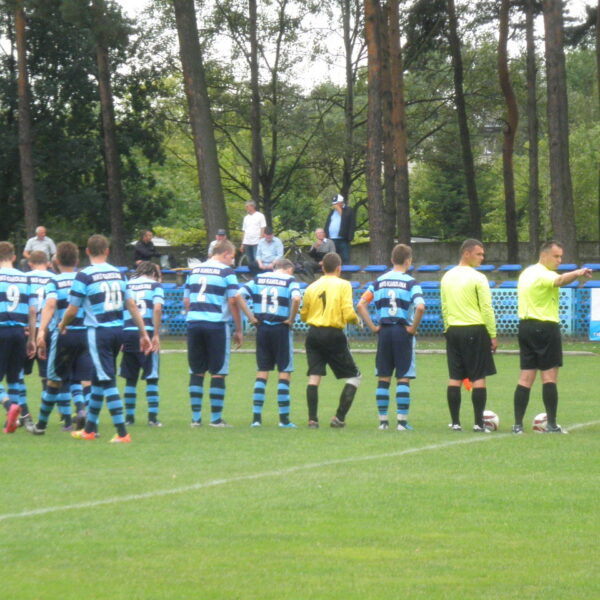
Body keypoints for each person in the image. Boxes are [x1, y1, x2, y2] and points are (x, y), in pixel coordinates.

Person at [60, 234, 151, 443]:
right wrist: (143, 333)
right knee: (97, 380)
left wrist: (62, 324)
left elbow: (72, 309)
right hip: (118, 331)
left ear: (87, 252)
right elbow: (131, 305)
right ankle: (89, 430)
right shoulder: (119, 274)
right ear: (108, 251)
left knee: (107, 380)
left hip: (98, 332)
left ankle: (122, 433)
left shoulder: (84, 275)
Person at [511, 241, 592, 434]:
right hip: (545, 327)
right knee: (549, 377)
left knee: (525, 377)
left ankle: (518, 425)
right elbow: (560, 280)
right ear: (544, 255)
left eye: (561, 256)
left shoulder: (526, 273)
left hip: (525, 327)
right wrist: (578, 272)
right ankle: (552, 424)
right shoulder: (543, 273)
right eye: (556, 256)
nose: (559, 260)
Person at [356, 244, 425, 431]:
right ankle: (402, 422)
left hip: (384, 332)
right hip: (402, 332)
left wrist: (373, 327)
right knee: (403, 377)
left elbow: (361, 305)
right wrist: (413, 328)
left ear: (392, 260)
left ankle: (383, 422)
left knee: (383, 376)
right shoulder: (411, 283)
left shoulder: (378, 282)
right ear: (408, 261)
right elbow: (420, 306)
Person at [32, 242, 93, 434]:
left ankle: (41, 425)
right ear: (77, 260)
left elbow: (50, 305)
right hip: (85, 333)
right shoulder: (85, 278)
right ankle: (87, 418)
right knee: (86, 379)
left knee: (54, 380)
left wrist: (41, 331)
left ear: (56, 260)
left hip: (64, 333)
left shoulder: (55, 281)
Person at [184, 239, 243, 427]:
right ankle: (216, 419)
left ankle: (195, 419)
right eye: (232, 257)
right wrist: (239, 329)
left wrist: (195, 315)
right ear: (225, 254)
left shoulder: (194, 271)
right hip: (216, 325)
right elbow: (233, 300)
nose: (232, 262)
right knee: (218, 372)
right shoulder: (226, 272)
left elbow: (186, 301)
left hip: (194, 323)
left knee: (196, 370)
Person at [440, 239, 497, 432]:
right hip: (475, 329)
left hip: (453, 330)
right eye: (479, 254)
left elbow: (444, 306)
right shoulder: (478, 278)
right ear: (466, 253)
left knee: (455, 376)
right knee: (478, 376)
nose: (482, 257)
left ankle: (455, 422)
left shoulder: (447, 276)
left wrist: (447, 328)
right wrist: (492, 334)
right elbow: (486, 308)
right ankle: (478, 423)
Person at [300, 252, 361, 428]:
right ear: (339, 268)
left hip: (313, 334)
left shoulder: (312, 287)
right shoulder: (344, 285)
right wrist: (357, 321)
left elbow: (304, 314)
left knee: (314, 377)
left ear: (323, 268)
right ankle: (338, 418)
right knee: (355, 377)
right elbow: (348, 312)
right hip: (333, 334)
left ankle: (312, 420)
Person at [238, 258, 302, 428]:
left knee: (262, 371)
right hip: (281, 328)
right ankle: (284, 420)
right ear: (288, 269)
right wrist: (291, 319)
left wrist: (251, 317)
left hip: (262, 328)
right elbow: (296, 299)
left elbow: (238, 295)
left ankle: (256, 419)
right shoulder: (290, 280)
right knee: (284, 372)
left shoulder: (258, 278)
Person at [120, 261, 164, 427]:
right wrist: (156, 334)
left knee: (130, 377)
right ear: (153, 273)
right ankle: (152, 418)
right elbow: (157, 309)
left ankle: (129, 418)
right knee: (151, 376)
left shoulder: (127, 284)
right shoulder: (155, 286)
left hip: (128, 331)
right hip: (148, 331)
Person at [0, 241, 36, 434]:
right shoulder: (25, 279)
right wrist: (32, 339)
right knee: (14, 378)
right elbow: (32, 310)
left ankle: (9, 406)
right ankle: (12, 422)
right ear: (14, 257)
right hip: (19, 332)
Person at [20, 250, 55, 428]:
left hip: (27, 330)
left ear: (30, 263)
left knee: (17, 374)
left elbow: (25, 305)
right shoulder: (54, 278)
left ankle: (24, 413)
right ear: (48, 263)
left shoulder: (24, 278)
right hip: (47, 330)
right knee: (47, 375)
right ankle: (45, 414)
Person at [324, 195, 355, 264]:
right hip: (331, 239)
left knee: (345, 258)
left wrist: (339, 210)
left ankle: (346, 271)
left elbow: (346, 221)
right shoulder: (332, 212)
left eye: (336, 204)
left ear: (341, 202)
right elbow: (327, 224)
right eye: (334, 204)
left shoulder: (348, 210)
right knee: (332, 259)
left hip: (343, 239)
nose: (334, 205)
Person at [240, 201, 266, 273]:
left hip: (256, 242)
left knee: (257, 259)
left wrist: (261, 238)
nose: (246, 208)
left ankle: (258, 274)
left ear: (252, 206)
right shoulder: (246, 218)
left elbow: (263, 227)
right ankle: (252, 275)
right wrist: (242, 244)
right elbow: (244, 231)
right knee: (249, 260)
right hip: (247, 242)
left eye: (247, 206)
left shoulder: (260, 216)